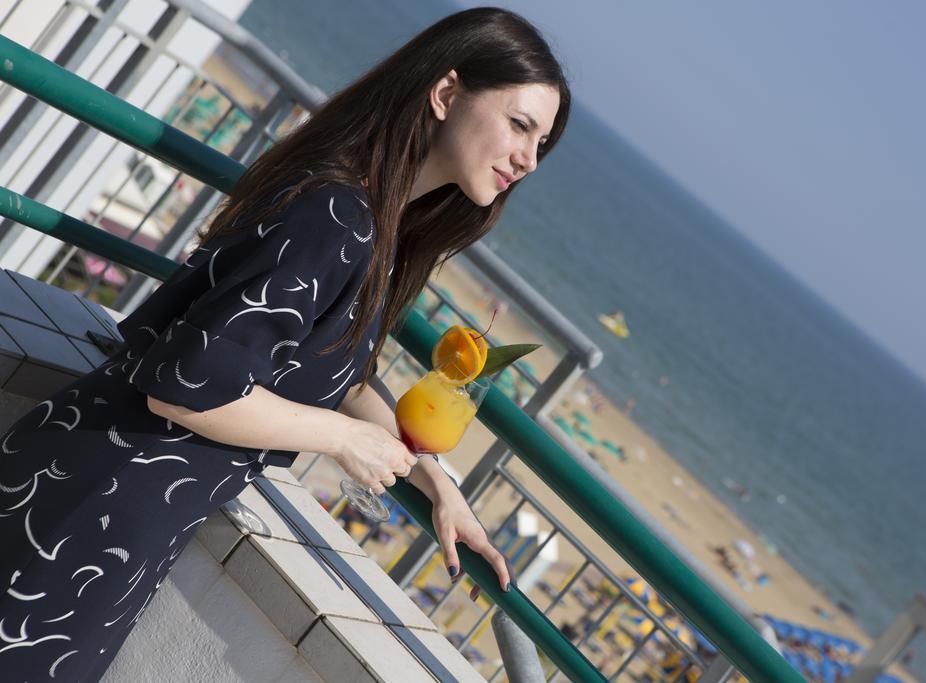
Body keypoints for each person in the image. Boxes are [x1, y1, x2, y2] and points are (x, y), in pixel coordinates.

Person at [0, 7, 570, 680]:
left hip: (112, 512)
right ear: (446, 94)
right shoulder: (337, 216)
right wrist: (341, 438)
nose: (528, 160)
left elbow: (341, 370)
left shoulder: (375, 225)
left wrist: (432, 479)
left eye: (541, 143)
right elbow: (183, 386)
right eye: (520, 125)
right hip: (86, 508)